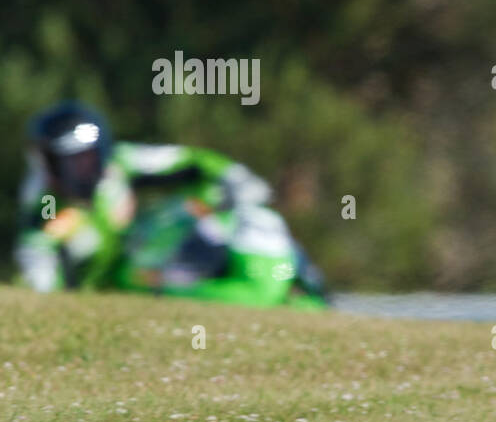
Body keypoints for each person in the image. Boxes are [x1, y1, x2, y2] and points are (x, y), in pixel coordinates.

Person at [15, 101, 324, 300]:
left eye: (86, 158)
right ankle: (258, 297)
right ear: (47, 164)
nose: (81, 170)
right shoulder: (43, 208)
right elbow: (41, 275)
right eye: (69, 162)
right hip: (130, 284)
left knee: (228, 211)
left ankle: (301, 290)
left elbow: (191, 160)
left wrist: (236, 180)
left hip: (156, 248)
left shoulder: (120, 163)